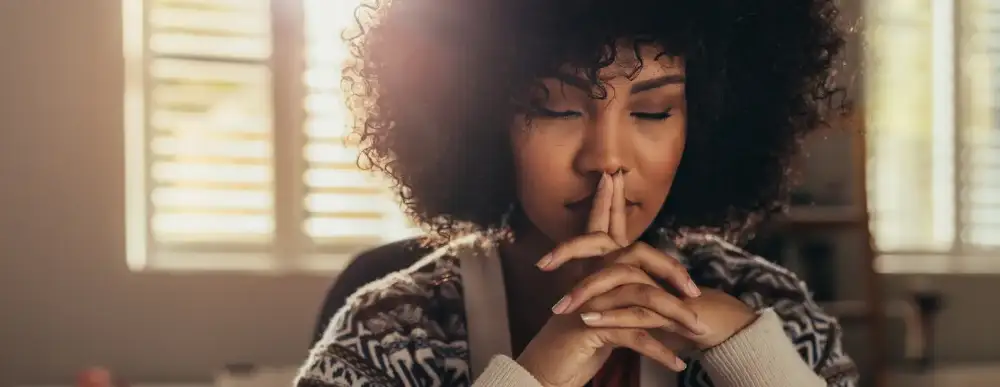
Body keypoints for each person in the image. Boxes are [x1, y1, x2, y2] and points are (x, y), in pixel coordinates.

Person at [296, 0, 859, 385]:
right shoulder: (390, 329)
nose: (606, 157)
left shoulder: (769, 309)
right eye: (556, 108)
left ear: (706, 123)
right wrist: (536, 375)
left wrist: (753, 358)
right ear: (481, 117)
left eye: (652, 111)